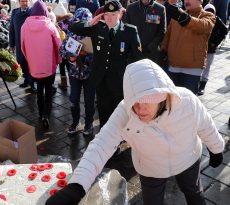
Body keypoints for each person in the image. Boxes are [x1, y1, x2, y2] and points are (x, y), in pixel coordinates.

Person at [46, 59, 225, 205]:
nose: (139, 109)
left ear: (161, 95)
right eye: (135, 102)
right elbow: (101, 145)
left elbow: (206, 125)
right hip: (150, 167)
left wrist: (216, 149)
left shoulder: (186, 101)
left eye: (147, 101)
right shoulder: (126, 111)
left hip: (187, 158)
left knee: (194, 193)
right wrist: (77, 186)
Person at [69, 0, 142, 130]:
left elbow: (137, 59)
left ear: (120, 14)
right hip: (100, 79)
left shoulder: (129, 31)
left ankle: (118, 139)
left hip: (118, 81)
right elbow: (72, 28)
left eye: (113, 14)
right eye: (106, 14)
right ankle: (104, 135)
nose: (109, 18)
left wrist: (132, 80)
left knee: (118, 112)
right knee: (103, 111)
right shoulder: (97, 27)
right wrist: (89, 23)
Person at [21, 0, 62, 129]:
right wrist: (58, 59)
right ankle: (46, 115)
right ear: (45, 11)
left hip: (34, 66)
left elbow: (22, 47)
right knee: (48, 89)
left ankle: (40, 113)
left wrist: (30, 60)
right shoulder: (49, 25)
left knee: (39, 89)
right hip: (49, 65)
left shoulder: (24, 26)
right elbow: (58, 44)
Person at [161, 0, 215, 94]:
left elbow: (202, 25)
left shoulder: (208, 16)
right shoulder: (178, 15)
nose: (187, 1)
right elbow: (167, 37)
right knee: (172, 104)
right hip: (173, 66)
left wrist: (185, 18)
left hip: (192, 69)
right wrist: (162, 51)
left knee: (188, 104)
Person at [59, 8, 96, 136]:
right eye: (79, 22)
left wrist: (87, 55)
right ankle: (75, 123)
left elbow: (101, 56)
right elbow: (62, 50)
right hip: (74, 74)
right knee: (73, 99)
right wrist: (70, 56)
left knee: (89, 101)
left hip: (90, 74)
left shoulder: (94, 35)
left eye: (85, 23)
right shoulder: (71, 33)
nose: (82, 26)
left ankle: (89, 124)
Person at [198, 4, 229, 95]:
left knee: (207, 67)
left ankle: (202, 86)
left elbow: (224, 31)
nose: (210, 13)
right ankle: (197, 82)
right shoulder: (201, 18)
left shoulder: (216, 19)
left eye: (212, 11)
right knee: (198, 65)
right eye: (208, 11)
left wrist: (215, 43)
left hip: (211, 48)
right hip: (200, 47)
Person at [9, 0, 37, 92]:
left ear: (29, 1)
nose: (24, 3)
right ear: (19, 2)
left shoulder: (33, 11)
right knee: (21, 62)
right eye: (22, 1)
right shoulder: (14, 12)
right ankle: (26, 79)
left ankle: (32, 82)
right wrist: (11, 43)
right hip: (19, 42)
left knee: (31, 63)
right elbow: (12, 28)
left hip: (31, 43)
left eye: (26, 1)